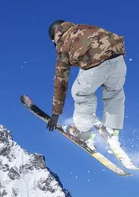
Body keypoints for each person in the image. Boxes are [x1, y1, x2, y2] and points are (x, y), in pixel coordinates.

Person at [47, 20, 127, 148]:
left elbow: (60, 80)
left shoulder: (62, 42)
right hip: (118, 57)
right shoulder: (83, 27)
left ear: (54, 38)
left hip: (96, 61)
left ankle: (84, 134)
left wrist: (56, 113)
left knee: (81, 93)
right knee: (114, 93)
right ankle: (112, 131)